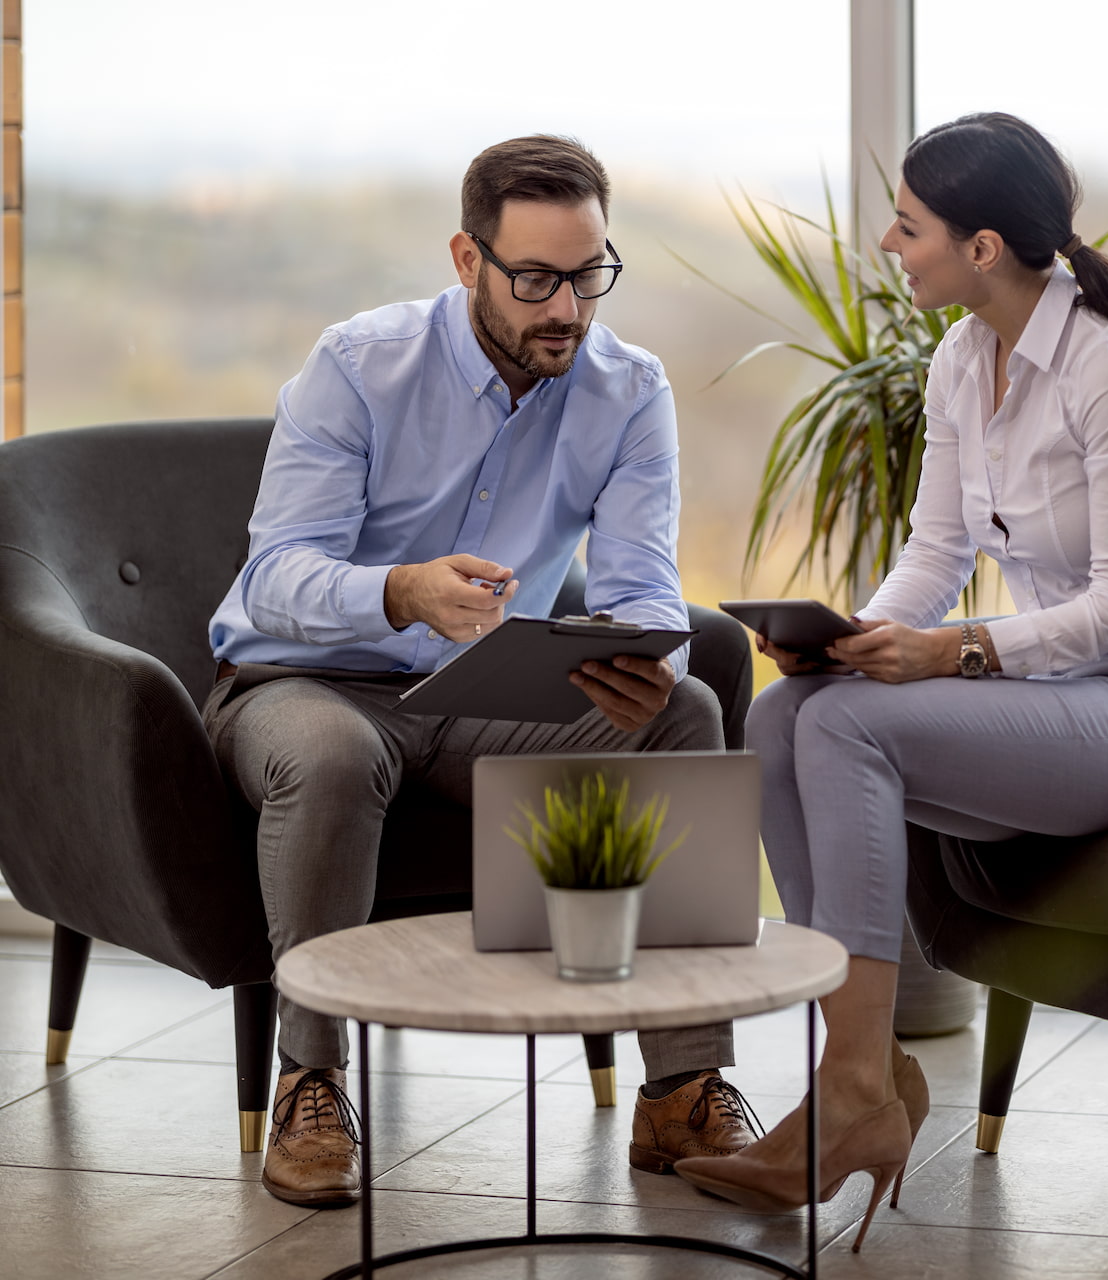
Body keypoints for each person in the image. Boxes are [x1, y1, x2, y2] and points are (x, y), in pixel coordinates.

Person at [674, 112, 1108, 1248]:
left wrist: (959, 651)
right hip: (1060, 698)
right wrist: (858, 639)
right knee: (794, 708)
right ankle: (868, 1069)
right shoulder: (957, 359)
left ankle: (850, 1093)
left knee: (843, 736)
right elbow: (935, 555)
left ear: (983, 246)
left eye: (909, 224)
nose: (892, 243)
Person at [204, 135, 753, 1209]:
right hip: (302, 681)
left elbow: (644, 583)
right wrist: (401, 590)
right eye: (536, 279)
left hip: (481, 697)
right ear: (468, 259)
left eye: (588, 275)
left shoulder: (629, 390)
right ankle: (310, 1078)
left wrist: (644, 653)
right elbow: (273, 579)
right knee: (326, 751)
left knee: (682, 712)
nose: (567, 309)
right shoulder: (358, 365)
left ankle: (683, 1084)